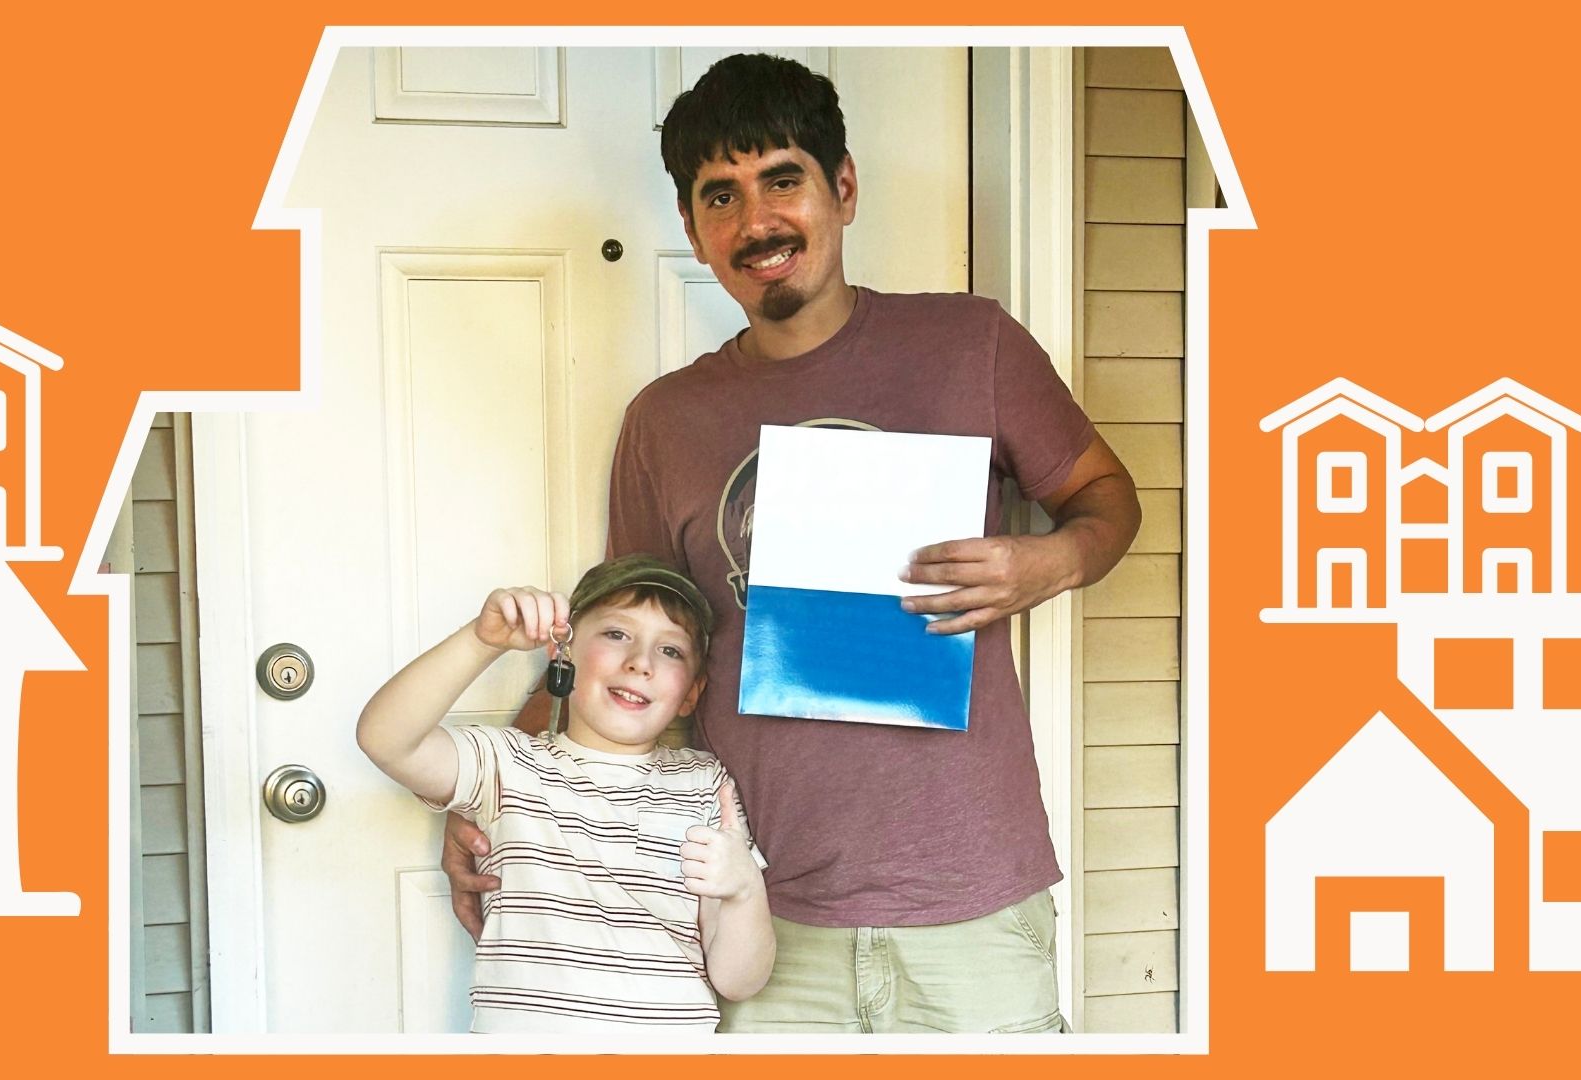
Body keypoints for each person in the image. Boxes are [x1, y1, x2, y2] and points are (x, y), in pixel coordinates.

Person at [444, 53, 1142, 1033]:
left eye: (782, 180)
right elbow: (616, 646)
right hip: (751, 904)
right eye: (719, 196)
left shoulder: (970, 346)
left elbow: (1106, 498)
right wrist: (491, 793)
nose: (755, 221)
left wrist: (1052, 561)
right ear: (692, 228)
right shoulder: (667, 421)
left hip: (971, 899)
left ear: (841, 187)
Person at [358, 555, 774, 1033]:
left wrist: (745, 889)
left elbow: (739, 980)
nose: (640, 661)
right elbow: (385, 738)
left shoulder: (704, 783)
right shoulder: (508, 764)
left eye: (671, 651)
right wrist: (481, 641)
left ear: (691, 694)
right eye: (617, 634)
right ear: (564, 655)